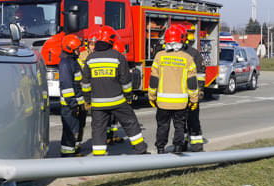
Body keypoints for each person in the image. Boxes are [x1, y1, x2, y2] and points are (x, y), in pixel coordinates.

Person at [81, 25, 147, 156]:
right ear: (111, 40)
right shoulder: (118, 57)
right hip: (117, 101)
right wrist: (128, 97)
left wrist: (87, 100)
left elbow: (85, 83)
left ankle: (99, 154)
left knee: (98, 129)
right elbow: (126, 81)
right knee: (130, 122)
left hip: (98, 104)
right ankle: (140, 149)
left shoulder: (90, 59)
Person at [149, 26, 199, 154]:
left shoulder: (159, 56)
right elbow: (192, 83)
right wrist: (194, 100)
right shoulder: (187, 58)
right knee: (179, 126)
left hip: (162, 101)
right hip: (181, 102)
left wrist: (152, 97)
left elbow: (154, 79)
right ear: (182, 40)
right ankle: (177, 148)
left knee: (162, 126)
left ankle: (160, 149)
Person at [58, 34, 87, 157]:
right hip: (69, 105)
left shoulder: (72, 61)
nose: (78, 51)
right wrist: (73, 104)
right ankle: (68, 154)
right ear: (70, 48)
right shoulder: (66, 64)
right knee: (70, 130)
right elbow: (67, 86)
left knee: (77, 127)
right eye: (77, 49)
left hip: (77, 103)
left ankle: (74, 149)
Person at [182, 24, 206, 151]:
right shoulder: (194, 53)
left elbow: (201, 73)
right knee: (192, 119)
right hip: (190, 93)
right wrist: (200, 89)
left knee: (183, 121)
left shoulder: (178, 53)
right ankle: (195, 145)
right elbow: (201, 73)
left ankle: (183, 144)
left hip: (183, 93)